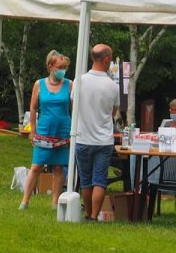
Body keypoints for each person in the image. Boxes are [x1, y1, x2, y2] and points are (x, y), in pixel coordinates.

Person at [19, 50, 72, 210]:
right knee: (36, 166)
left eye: (65, 67)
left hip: (63, 131)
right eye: (60, 67)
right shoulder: (39, 84)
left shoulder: (70, 84)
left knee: (58, 167)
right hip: (43, 131)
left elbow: (74, 108)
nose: (63, 70)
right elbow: (33, 108)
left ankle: (55, 203)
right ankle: (25, 201)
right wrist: (33, 130)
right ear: (50, 66)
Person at [72, 43, 119, 220]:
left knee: (85, 180)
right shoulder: (112, 85)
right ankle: (93, 216)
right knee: (99, 180)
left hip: (82, 137)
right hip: (103, 141)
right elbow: (113, 113)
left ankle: (88, 212)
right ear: (106, 59)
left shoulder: (79, 80)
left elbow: (74, 106)